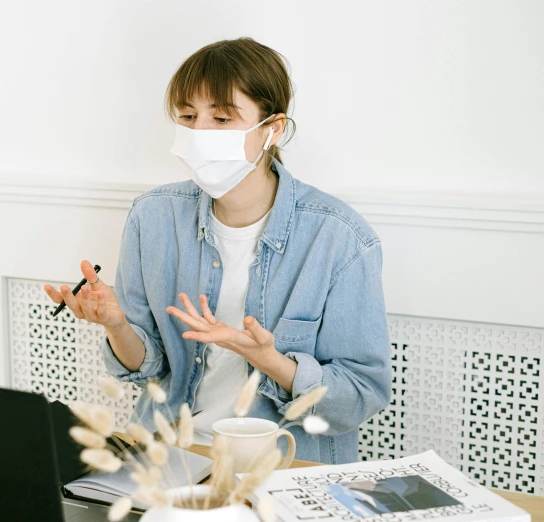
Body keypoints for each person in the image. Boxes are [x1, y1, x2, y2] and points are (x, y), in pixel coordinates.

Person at [44, 37, 391, 464]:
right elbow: (147, 366)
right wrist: (117, 326)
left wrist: (269, 360)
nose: (200, 133)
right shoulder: (153, 216)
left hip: (283, 465)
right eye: (188, 116)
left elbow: (361, 394)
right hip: (170, 457)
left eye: (222, 117)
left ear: (272, 128)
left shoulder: (340, 238)